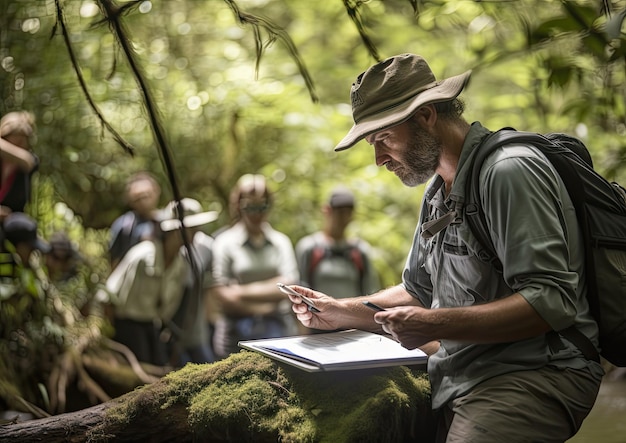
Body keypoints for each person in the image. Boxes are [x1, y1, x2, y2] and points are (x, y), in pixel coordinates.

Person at [286, 54, 603, 442]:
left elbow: (551, 301)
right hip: (459, 373)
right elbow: (418, 291)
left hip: (532, 374)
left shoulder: (509, 171)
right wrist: (340, 312)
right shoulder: (438, 191)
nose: (378, 159)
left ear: (426, 115)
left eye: (384, 138)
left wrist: (432, 323)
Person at [104, 198, 217, 366]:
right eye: (191, 229)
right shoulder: (142, 256)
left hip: (153, 328)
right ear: (176, 230)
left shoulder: (181, 264)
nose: (195, 233)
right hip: (127, 327)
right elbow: (108, 296)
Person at [209, 173, 300, 360]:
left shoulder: (280, 242)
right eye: (250, 207)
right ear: (238, 206)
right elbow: (222, 296)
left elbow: (289, 285)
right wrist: (269, 301)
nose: (256, 213)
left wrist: (240, 292)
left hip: (277, 328)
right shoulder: (224, 242)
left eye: (262, 206)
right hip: (234, 332)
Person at [295, 186, 380, 298]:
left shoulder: (360, 251)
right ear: (327, 210)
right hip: (315, 315)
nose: (344, 217)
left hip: (352, 315)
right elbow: (299, 288)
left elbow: (371, 292)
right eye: (339, 212)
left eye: (348, 212)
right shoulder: (309, 248)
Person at [166, 198, 219, 365]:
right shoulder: (170, 251)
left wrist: (212, 323)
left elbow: (209, 286)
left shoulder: (206, 246)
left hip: (197, 324)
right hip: (171, 324)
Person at [108, 172, 161, 269]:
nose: (143, 202)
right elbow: (115, 262)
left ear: (156, 192)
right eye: (137, 199)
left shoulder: (167, 221)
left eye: (146, 196)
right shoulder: (124, 225)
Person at [0, 111, 39, 218]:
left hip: (13, 217)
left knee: (24, 227)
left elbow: (27, 161)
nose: (19, 143)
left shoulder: (29, 161)